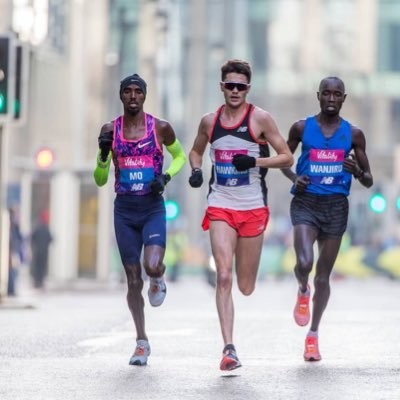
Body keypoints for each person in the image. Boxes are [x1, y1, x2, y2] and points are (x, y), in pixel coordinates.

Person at [188, 59, 294, 370]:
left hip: (252, 208)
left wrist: (254, 162)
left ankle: (242, 291)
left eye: (241, 86)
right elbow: (195, 150)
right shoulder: (209, 122)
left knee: (245, 286)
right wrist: (196, 170)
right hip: (221, 204)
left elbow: (287, 157)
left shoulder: (260, 119)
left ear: (248, 89)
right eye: (230, 85)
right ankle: (228, 349)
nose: (235, 91)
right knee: (223, 276)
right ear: (221, 87)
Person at [93, 73, 186, 366]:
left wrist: (165, 177)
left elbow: (180, 157)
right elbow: (99, 179)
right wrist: (103, 153)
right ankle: (141, 341)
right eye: (128, 91)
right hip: (124, 211)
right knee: (133, 280)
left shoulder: (160, 128)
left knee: (152, 265)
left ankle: (158, 277)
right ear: (121, 95)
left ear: (145, 96)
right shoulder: (110, 129)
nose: (133, 96)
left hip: (151, 207)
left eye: (138, 91)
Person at [281, 76, 373, 361]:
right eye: (326, 94)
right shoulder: (301, 128)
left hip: (335, 206)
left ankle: (313, 335)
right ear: (318, 95)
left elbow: (368, 180)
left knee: (323, 276)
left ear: (344, 98)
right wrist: (295, 178)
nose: (331, 99)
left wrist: (357, 171)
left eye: (337, 94)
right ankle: (302, 289)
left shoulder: (354, 134)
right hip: (306, 202)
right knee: (304, 263)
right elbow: (283, 159)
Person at [30, 210, 53, 289]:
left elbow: (32, 238)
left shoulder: (38, 228)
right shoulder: (46, 228)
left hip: (37, 251)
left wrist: (34, 246)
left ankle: (37, 282)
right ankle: (40, 282)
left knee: (37, 267)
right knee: (42, 267)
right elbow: (50, 239)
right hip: (44, 251)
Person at [7, 206, 24, 296]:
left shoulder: (12, 225)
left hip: (11, 251)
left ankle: (11, 289)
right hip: (12, 251)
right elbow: (20, 238)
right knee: (12, 271)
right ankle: (11, 289)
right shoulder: (13, 225)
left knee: (12, 271)